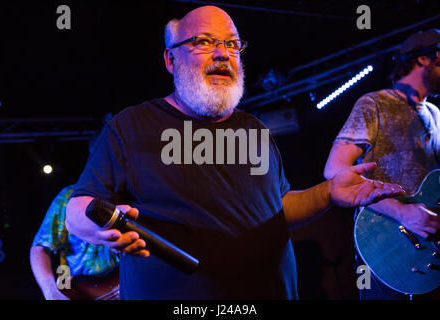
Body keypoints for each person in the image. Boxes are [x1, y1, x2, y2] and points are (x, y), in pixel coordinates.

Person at [65, 5, 404, 300]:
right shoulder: (131, 127)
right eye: (203, 41)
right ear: (170, 59)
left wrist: (327, 192)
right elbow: (78, 208)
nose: (222, 53)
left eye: (231, 43)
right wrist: (99, 228)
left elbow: (278, 208)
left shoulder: (255, 129)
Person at [324, 29, 440, 299]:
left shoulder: (435, 114)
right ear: (425, 58)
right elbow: (334, 170)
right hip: (386, 244)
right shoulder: (374, 103)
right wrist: (402, 213)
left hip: (429, 246)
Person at [30, 135, 120, 300]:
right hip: (77, 289)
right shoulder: (69, 197)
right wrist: (51, 291)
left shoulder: (135, 198)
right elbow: (40, 248)